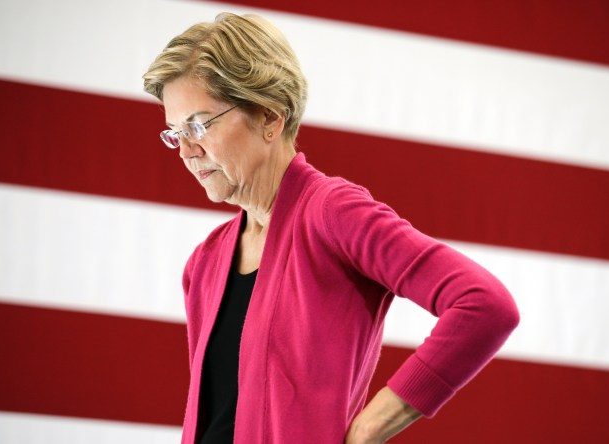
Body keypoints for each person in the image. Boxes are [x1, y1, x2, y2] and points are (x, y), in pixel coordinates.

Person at [142, 12, 519, 444]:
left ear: (269, 116)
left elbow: (485, 305)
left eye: (198, 125)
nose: (186, 150)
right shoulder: (204, 262)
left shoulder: (332, 212)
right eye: (174, 132)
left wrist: (369, 428)